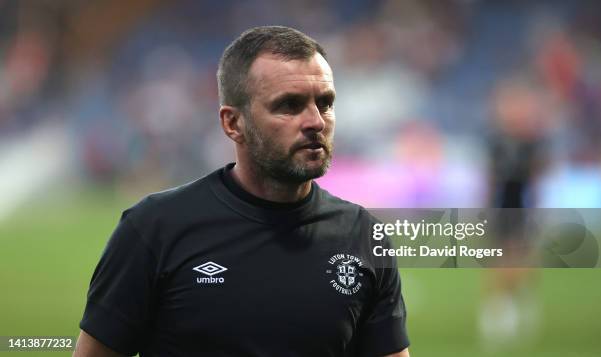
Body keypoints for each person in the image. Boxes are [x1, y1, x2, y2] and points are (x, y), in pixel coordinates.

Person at [74, 26, 410, 357]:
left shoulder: (365, 236)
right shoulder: (153, 229)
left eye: (324, 103)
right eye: (289, 106)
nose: (316, 122)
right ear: (233, 123)